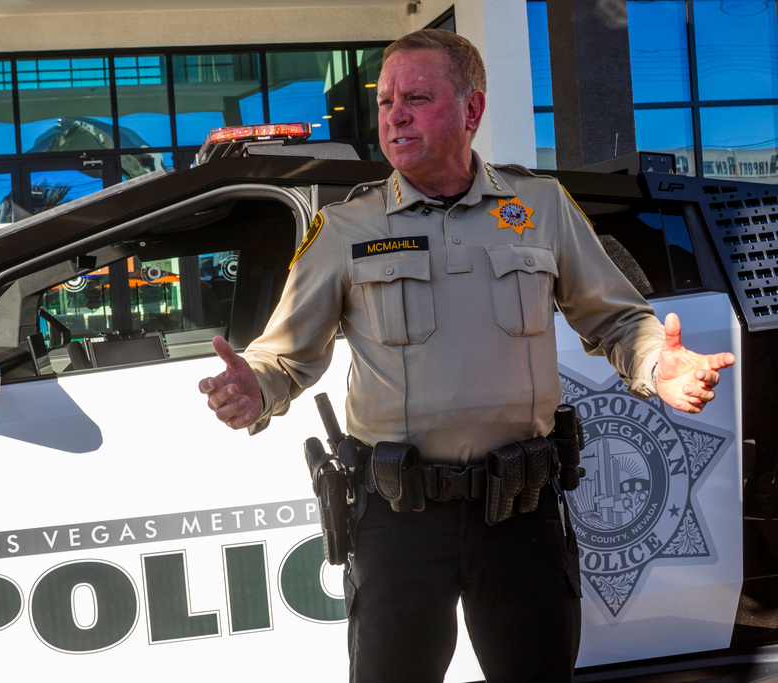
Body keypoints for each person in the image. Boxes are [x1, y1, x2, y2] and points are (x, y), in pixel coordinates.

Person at [198, 28, 735, 683]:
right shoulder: (347, 228)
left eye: (416, 97)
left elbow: (614, 317)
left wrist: (657, 364)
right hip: (397, 521)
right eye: (386, 99)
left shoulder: (540, 207)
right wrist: (254, 387)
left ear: (471, 111)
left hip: (520, 515)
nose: (394, 112)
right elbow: (284, 356)